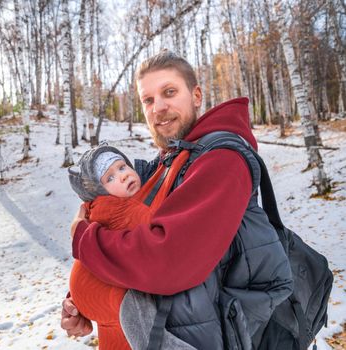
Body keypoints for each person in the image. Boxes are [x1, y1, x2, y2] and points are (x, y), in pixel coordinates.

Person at [61, 50, 293, 349]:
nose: (158, 107)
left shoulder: (222, 160)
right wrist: (84, 299)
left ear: (196, 95)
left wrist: (84, 239)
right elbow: (127, 233)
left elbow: (167, 261)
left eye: (169, 92)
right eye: (148, 100)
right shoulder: (170, 161)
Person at [67, 144, 192, 350]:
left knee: (116, 341)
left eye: (122, 167)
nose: (123, 176)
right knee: (142, 321)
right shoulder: (120, 207)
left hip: (90, 291)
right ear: (98, 191)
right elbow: (158, 213)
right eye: (110, 178)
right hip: (106, 291)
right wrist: (181, 158)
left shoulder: (98, 207)